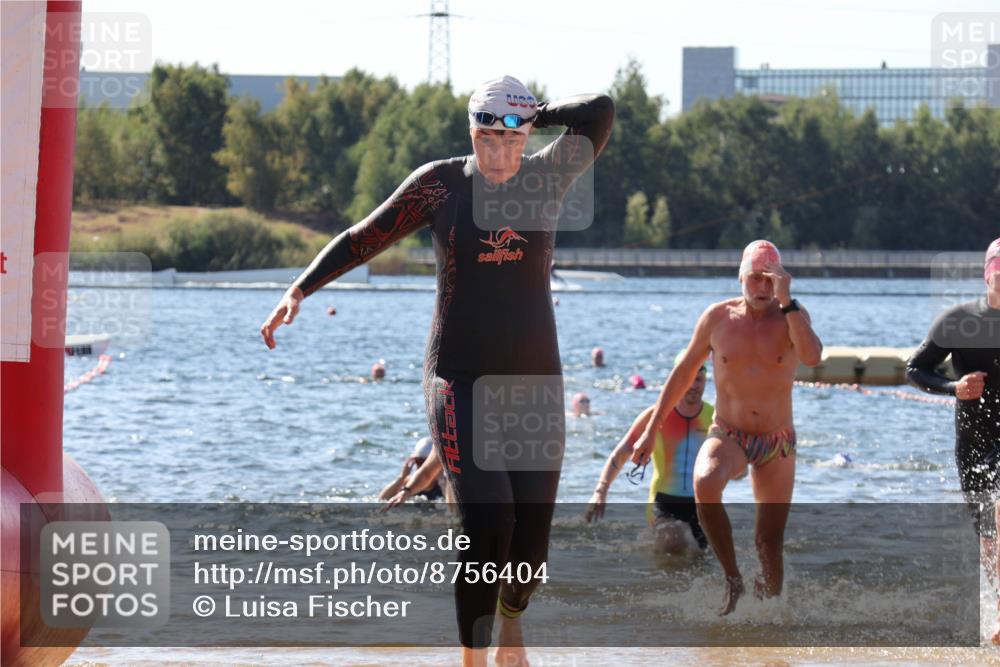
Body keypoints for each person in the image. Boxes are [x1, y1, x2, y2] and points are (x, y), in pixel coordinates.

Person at [260, 75, 614, 666]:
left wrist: (534, 111)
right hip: (459, 378)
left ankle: (511, 631)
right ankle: (472, 659)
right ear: (470, 133)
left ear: (528, 136)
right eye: (486, 138)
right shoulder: (440, 186)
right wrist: (300, 288)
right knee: (490, 521)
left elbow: (600, 110)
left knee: (530, 551)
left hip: (534, 385)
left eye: (512, 139)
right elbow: (364, 237)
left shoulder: (548, 174)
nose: (498, 154)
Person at [631, 240, 823, 615]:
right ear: (740, 277)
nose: (763, 287)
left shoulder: (792, 315)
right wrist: (652, 429)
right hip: (729, 433)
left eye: (770, 279)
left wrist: (787, 300)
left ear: (781, 280)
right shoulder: (718, 318)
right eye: (755, 278)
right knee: (704, 482)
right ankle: (733, 579)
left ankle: (771, 615)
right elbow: (682, 373)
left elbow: (813, 357)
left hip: (777, 442)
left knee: (769, 542)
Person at [906, 237, 1000, 643]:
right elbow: (916, 369)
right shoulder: (960, 320)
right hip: (973, 438)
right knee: (988, 534)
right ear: (987, 276)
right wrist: (954, 387)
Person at [586, 352, 713, 554]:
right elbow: (623, 451)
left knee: (701, 559)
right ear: (676, 380)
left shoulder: (713, 417)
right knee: (672, 544)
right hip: (664, 501)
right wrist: (601, 490)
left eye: (699, 379)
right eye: (689, 379)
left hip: (702, 504)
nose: (694, 385)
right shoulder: (655, 417)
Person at [378, 436, 449, 504]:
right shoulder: (410, 482)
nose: (421, 467)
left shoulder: (444, 484)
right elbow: (381, 500)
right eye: (417, 461)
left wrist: (441, 480)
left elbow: (451, 506)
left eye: (424, 462)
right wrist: (402, 477)